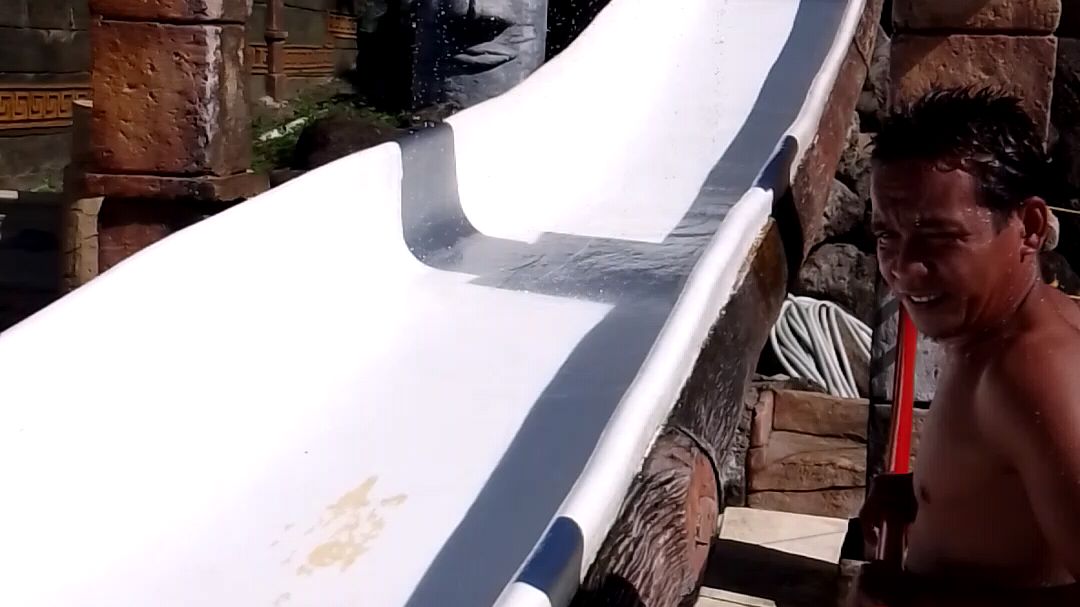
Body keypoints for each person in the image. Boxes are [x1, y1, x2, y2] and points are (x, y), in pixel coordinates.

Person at [853, 87, 1080, 606]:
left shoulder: (1033, 371)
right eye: (886, 236)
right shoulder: (990, 337)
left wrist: (918, 600)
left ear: (1030, 228)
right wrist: (922, 490)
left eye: (939, 236)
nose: (904, 269)